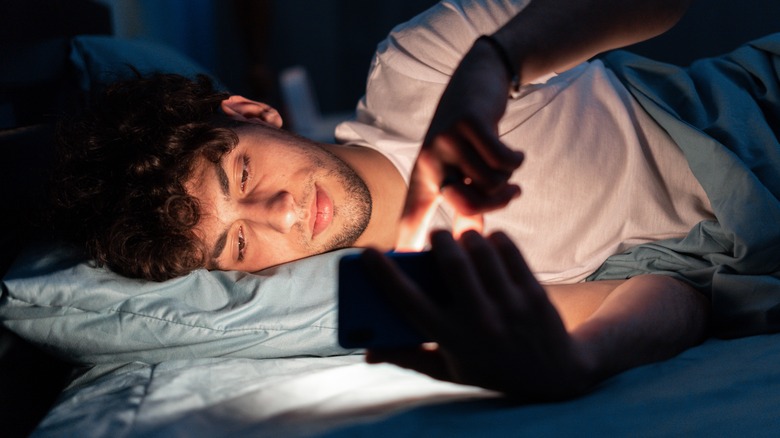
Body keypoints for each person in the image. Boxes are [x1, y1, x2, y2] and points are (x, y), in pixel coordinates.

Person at [50, 0, 780, 399]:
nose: (277, 212)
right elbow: (675, 298)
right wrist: (577, 363)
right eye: (238, 245)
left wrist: (495, 63)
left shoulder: (419, 70)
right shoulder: (424, 294)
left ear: (252, 113)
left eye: (240, 176)